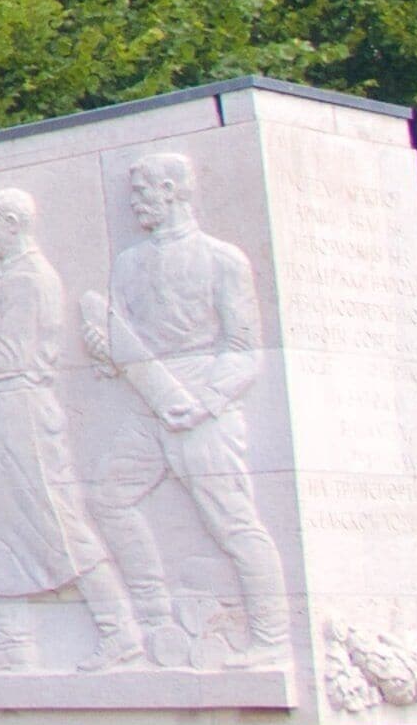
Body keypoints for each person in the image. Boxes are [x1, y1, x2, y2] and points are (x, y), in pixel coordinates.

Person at [0, 188, 152, 670]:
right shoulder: (10, 277)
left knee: (59, 520)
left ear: (14, 223)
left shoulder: (30, 279)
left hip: (23, 411)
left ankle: (119, 629)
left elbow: (13, 354)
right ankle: (14, 643)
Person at [82, 152, 289, 662]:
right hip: (147, 404)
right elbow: (120, 350)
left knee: (234, 524)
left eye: (144, 193)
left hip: (201, 403)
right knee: (108, 499)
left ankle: (271, 639)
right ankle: (153, 621)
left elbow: (245, 352)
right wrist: (102, 348)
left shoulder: (223, 258)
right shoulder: (128, 263)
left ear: (173, 189)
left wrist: (205, 403)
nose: (136, 204)